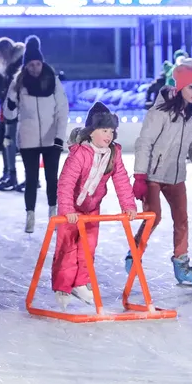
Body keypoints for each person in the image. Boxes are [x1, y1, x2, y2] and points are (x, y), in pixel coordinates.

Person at [131, 58, 192, 286]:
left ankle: (182, 264)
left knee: (182, 220)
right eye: (191, 87)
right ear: (179, 87)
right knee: (153, 216)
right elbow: (144, 142)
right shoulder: (161, 111)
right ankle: (134, 255)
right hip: (153, 175)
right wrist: (139, 175)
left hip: (177, 176)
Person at [52, 102, 136, 309]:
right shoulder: (80, 153)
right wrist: (67, 210)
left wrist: (129, 205)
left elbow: (122, 180)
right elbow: (65, 182)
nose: (109, 135)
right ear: (91, 132)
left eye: (111, 131)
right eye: (104, 130)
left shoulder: (113, 153)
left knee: (88, 247)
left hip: (91, 208)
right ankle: (63, 286)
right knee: (67, 248)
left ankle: (80, 283)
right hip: (71, 209)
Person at [3, 36, 68, 233]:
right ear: (26, 66)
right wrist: (12, 102)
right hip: (28, 139)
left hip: (51, 140)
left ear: (42, 63)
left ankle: (52, 213)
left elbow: (62, 110)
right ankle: (30, 215)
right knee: (31, 179)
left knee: (51, 178)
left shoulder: (53, 81)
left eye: (37, 63)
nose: (34, 68)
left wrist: (59, 137)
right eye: (30, 64)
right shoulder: (18, 83)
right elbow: (9, 114)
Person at [0, 36, 25, 191]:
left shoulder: (16, 66)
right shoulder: (11, 66)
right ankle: (11, 174)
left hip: (16, 110)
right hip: (11, 109)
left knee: (12, 143)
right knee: (9, 143)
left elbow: (14, 90)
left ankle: (14, 176)